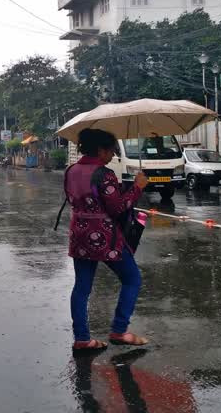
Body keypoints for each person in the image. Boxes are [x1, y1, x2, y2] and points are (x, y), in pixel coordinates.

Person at [65, 129, 149, 352]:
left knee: (82, 287)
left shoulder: (71, 171)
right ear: (101, 150)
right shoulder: (104, 174)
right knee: (132, 278)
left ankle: (82, 338)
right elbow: (118, 207)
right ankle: (120, 330)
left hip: (79, 235)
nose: (112, 155)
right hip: (105, 237)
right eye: (111, 150)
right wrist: (137, 187)